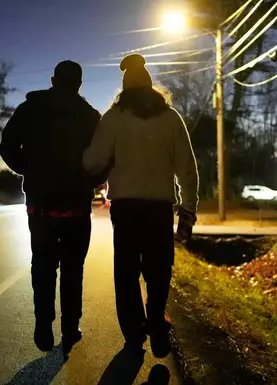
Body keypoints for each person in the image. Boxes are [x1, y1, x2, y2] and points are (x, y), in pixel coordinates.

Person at [83, 53, 199, 358]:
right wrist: (188, 211)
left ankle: (134, 335)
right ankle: (157, 319)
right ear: (151, 87)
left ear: (124, 89)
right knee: (159, 269)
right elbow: (188, 168)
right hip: (160, 208)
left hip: (126, 208)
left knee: (127, 271)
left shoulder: (114, 118)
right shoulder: (170, 118)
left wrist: (85, 160)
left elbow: (93, 161)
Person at [0, 60, 105, 354]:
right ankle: (70, 328)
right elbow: (103, 158)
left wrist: (28, 171)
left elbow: (7, 146)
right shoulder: (90, 117)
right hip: (76, 205)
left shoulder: (29, 109)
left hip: (40, 205)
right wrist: (92, 182)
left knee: (43, 266)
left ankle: (43, 325)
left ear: (53, 80)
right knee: (73, 269)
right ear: (79, 84)